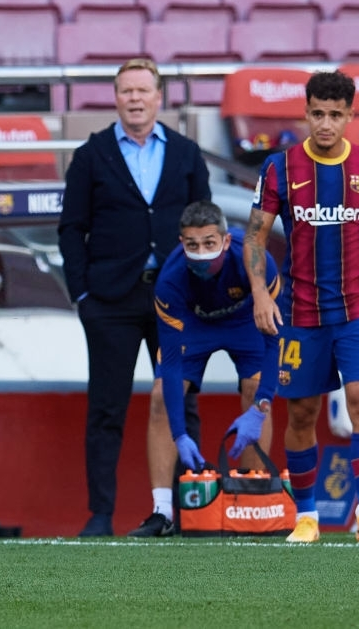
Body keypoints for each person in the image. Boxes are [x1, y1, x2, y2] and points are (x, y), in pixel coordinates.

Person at [243, 70, 359, 544]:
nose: (325, 124)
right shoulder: (279, 168)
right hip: (300, 311)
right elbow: (255, 236)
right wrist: (260, 294)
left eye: (336, 115)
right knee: (301, 413)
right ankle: (308, 517)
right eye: (317, 113)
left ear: (350, 115)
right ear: (306, 112)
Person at [57, 57, 212, 538]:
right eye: (127, 91)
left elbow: (206, 224)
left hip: (177, 300)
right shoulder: (91, 155)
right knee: (106, 408)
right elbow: (71, 229)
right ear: (116, 97)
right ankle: (101, 515)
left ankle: (187, 510)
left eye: (143, 90)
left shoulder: (186, 153)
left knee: (181, 402)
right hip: (110, 302)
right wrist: (83, 294)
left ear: (159, 96)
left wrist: (201, 290)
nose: (135, 99)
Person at [130, 200, 281, 537]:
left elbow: (275, 342)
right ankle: (162, 511)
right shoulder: (169, 281)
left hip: (246, 321)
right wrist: (180, 434)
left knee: (255, 388)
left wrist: (261, 406)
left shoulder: (258, 263)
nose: (201, 253)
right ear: (181, 243)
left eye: (209, 243)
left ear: (226, 241)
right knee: (160, 395)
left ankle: (251, 503)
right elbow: (170, 365)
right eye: (193, 245)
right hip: (194, 325)